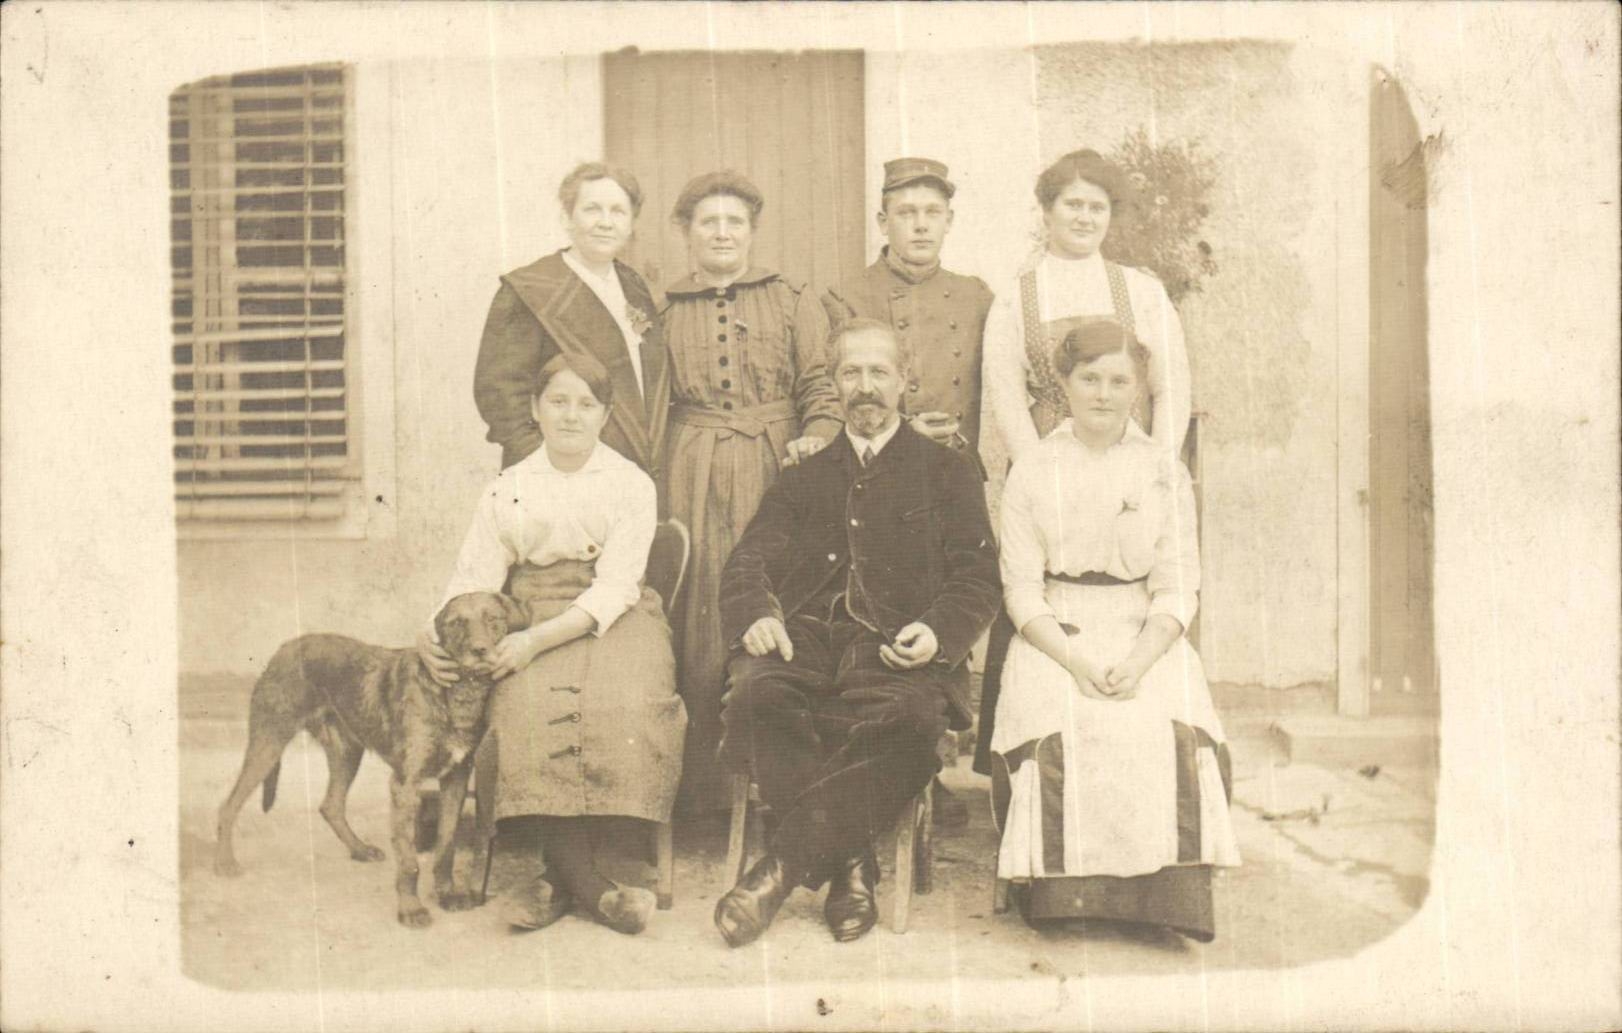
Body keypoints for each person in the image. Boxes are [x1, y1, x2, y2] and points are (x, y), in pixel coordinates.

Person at [711, 318, 1002, 947]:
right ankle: (851, 867)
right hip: (805, 638)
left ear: (905, 381)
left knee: (911, 722)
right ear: (834, 383)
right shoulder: (803, 475)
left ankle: (780, 870)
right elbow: (748, 561)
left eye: (878, 372)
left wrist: (937, 631)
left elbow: (979, 576)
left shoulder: (946, 471)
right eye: (850, 372)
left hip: (901, 644)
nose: (864, 386)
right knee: (757, 698)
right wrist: (759, 613)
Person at [419, 353, 686, 935]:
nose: (571, 416)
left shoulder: (630, 483)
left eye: (586, 405)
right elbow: (473, 580)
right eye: (558, 402)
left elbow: (616, 586)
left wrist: (536, 641)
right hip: (524, 608)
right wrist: (429, 634)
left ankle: (560, 882)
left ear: (606, 414)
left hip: (616, 614)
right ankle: (592, 887)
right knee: (522, 709)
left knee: (628, 703)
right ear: (536, 410)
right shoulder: (508, 488)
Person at [990, 321, 1238, 941]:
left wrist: (1140, 659)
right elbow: (1021, 589)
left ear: (1139, 390)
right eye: (1089, 378)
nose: (1103, 393)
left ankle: (1167, 902)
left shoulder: (1163, 470)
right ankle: (1068, 900)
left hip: (1143, 630)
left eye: (1119, 381)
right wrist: (1076, 661)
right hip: (1056, 630)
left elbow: (1179, 586)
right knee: (1065, 721)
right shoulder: (1032, 469)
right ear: (1064, 385)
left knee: (1171, 721)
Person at [975, 148, 1195, 777]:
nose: (1084, 216)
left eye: (1096, 206)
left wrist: (1157, 462)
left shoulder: (1142, 291)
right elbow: (1004, 392)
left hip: (1130, 464)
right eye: (1072, 204)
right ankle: (1023, 772)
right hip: (1049, 469)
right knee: (1037, 593)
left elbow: (1171, 384)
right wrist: (1039, 470)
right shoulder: (1018, 297)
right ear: (1046, 212)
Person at [661, 171, 843, 813]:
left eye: (734, 222)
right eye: (707, 222)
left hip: (777, 468)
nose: (721, 233)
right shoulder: (660, 308)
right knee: (703, 611)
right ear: (686, 233)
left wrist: (818, 436)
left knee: (779, 604)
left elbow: (821, 386)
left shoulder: (793, 299)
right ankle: (703, 793)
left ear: (751, 231)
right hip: (692, 470)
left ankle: (780, 782)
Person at [822, 156, 995, 827]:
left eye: (931, 212)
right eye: (905, 212)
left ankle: (924, 762)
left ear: (948, 220)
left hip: (949, 474)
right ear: (882, 219)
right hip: (877, 477)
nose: (919, 224)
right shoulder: (846, 294)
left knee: (945, 608)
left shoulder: (977, 296)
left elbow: (989, 389)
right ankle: (883, 764)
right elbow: (830, 385)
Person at [472, 162, 670, 480]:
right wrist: (551, 471)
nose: (606, 223)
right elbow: (501, 398)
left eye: (618, 212)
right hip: (562, 474)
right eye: (592, 209)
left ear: (631, 224)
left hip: (634, 474)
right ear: (567, 218)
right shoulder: (530, 289)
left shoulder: (633, 286)